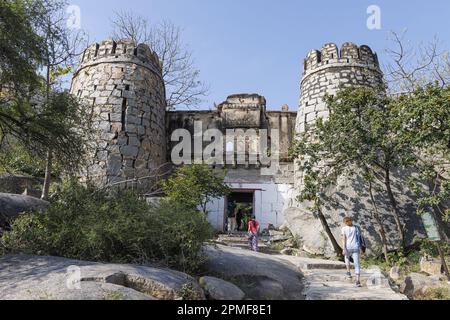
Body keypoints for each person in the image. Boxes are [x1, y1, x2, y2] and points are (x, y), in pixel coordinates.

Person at [341, 217, 363, 287]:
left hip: (348, 247)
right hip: (355, 246)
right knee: (356, 263)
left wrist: (344, 248)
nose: (347, 223)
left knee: (347, 258)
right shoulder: (356, 228)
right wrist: (360, 248)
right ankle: (357, 280)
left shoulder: (344, 228)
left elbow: (343, 238)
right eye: (346, 222)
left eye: (347, 222)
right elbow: (359, 238)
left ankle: (348, 272)